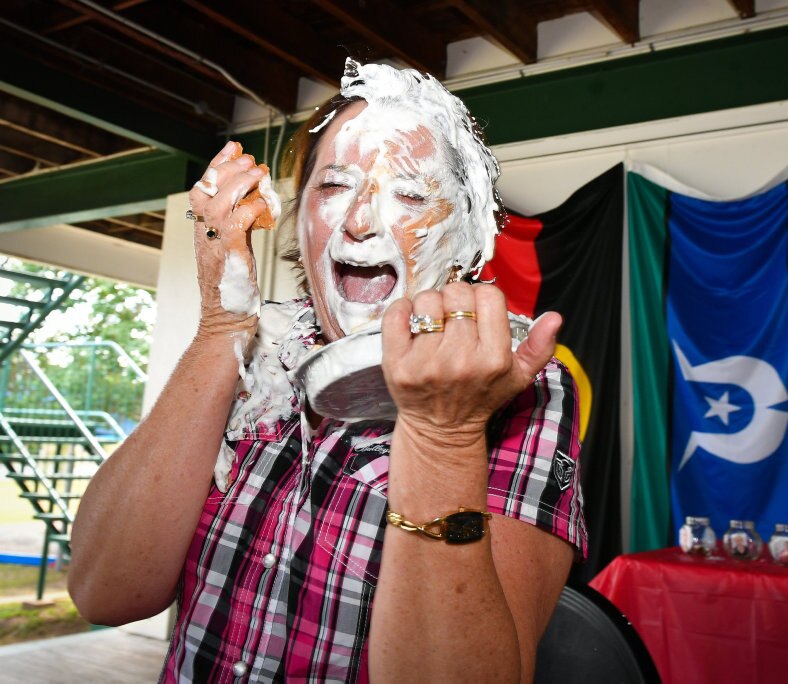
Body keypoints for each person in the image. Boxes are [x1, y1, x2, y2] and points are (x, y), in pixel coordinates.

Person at [67, 59, 587, 682]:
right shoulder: (255, 346)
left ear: (463, 230)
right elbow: (106, 592)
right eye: (334, 186)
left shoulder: (508, 377)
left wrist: (445, 439)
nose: (361, 222)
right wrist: (221, 329)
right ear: (299, 215)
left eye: (412, 193)